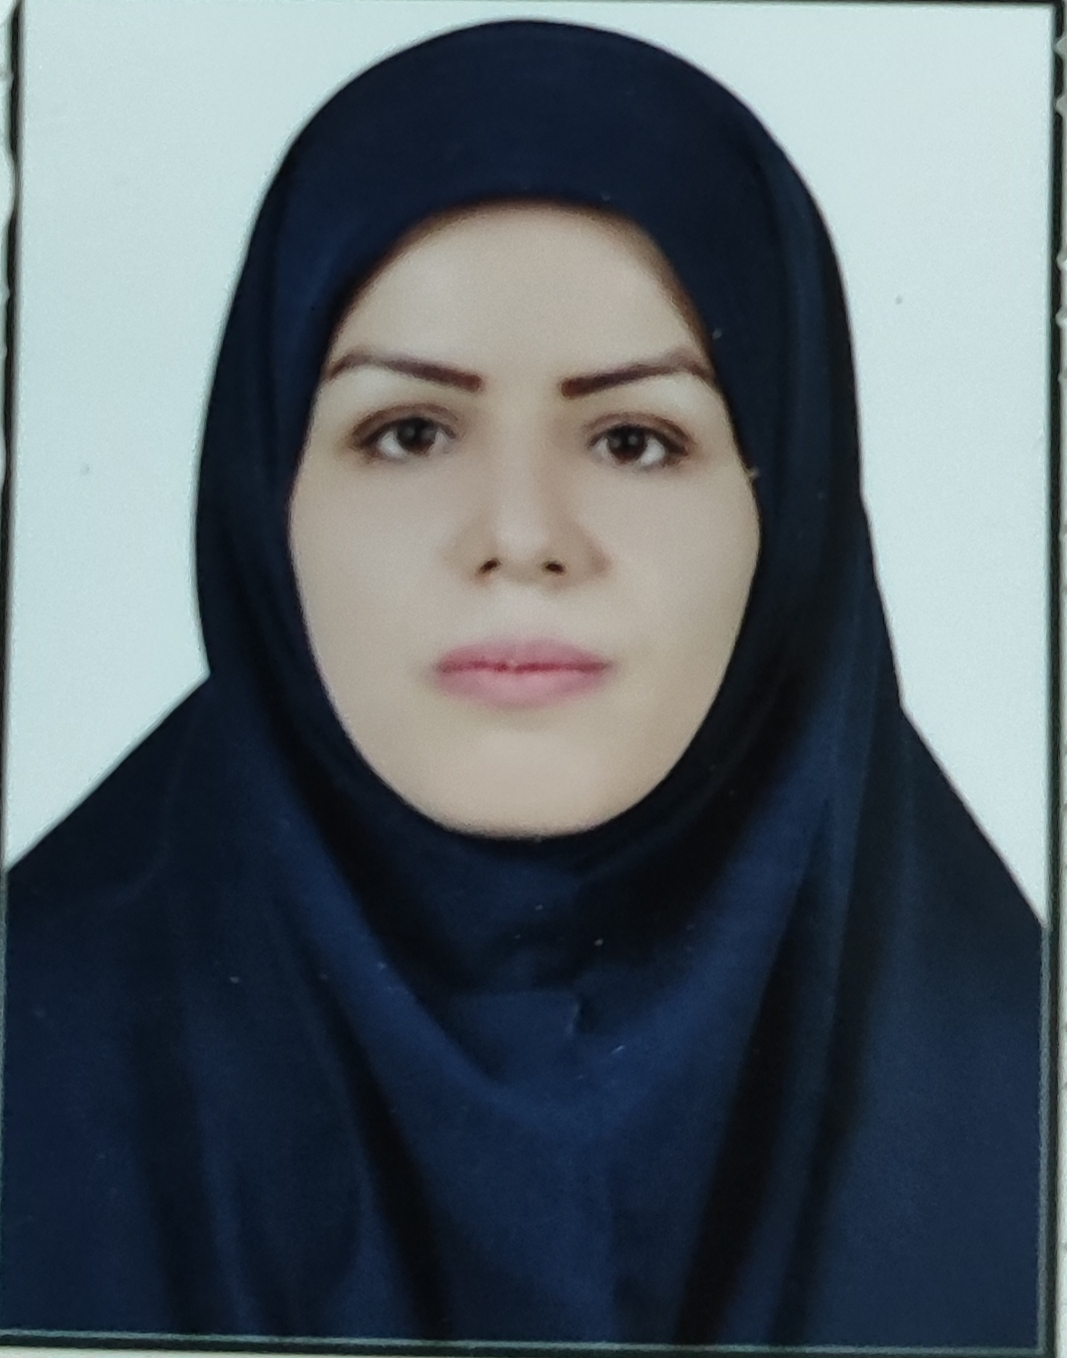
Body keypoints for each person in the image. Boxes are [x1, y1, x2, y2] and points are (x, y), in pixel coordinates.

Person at [0, 19, 1042, 1346]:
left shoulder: (1025, 1084)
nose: (521, 533)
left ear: (788, 507)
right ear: (267, 499)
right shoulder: (28, 1043)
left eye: (634, 438)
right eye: (409, 431)